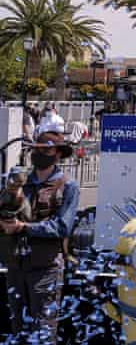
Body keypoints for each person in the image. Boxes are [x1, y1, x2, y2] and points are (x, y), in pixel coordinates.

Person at [0, 114, 79, 343]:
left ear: (58, 154)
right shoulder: (20, 180)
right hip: (16, 266)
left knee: (43, 331)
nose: (38, 155)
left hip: (45, 269)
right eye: (36, 150)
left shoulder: (68, 185)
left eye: (45, 151)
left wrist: (24, 228)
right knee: (18, 329)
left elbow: (62, 227)